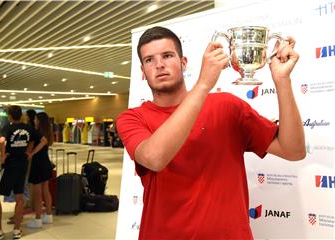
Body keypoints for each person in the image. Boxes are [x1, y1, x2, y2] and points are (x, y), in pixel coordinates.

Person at [116, 26, 306, 239]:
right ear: (143, 71)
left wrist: (282, 81)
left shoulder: (227, 106)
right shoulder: (132, 118)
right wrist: (204, 84)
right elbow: (154, 157)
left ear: (183, 62)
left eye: (167, 55)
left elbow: (293, 150)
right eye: (149, 60)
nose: (159, 65)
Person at [0, 106, 35, 240]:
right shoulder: (28, 128)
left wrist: (3, 154)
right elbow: (37, 139)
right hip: (22, 166)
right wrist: (29, 152)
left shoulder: (8, 128)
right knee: (19, 198)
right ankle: (16, 230)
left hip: (8, 167)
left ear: (10, 116)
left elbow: (2, 140)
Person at [26, 112, 54, 228]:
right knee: (45, 190)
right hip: (46, 163)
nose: (34, 121)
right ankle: (48, 215)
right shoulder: (48, 133)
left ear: (39, 121)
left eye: (36, 119)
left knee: (37, 193)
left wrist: (31, 153)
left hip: (37, 165)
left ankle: (37, 219)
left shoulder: (36, 133)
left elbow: (33, 147)